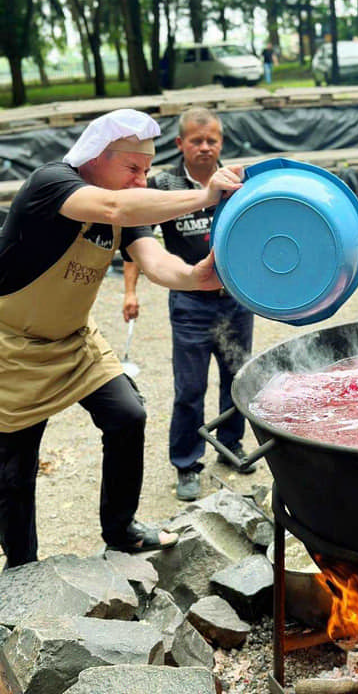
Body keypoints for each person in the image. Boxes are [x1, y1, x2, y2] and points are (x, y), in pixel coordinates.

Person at [0, 108, 244, 569]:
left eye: (147, 171)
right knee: (15, 469)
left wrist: (195, 275)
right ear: (96, 157)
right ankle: (22, 567)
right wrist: (204, 196)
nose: (141, 180)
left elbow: (156, 263)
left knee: (127, 416)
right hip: (12, 347)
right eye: (132, 168)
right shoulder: (51, 184)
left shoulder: (126, 207)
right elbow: (113, 207)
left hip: (74, 342)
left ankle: (121, 529)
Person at [123, 108, 255, 503]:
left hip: (234, 301)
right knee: (189, 388)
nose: (204, 147)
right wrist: (130, 292)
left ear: (221, 143)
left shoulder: (236, 183)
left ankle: (231, 446)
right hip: (189, 305)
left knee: (237, 379)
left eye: (211, 140)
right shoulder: (163, 185)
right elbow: (136, 243)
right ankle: (186, 463)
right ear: (180, 144)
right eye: (196, 140)